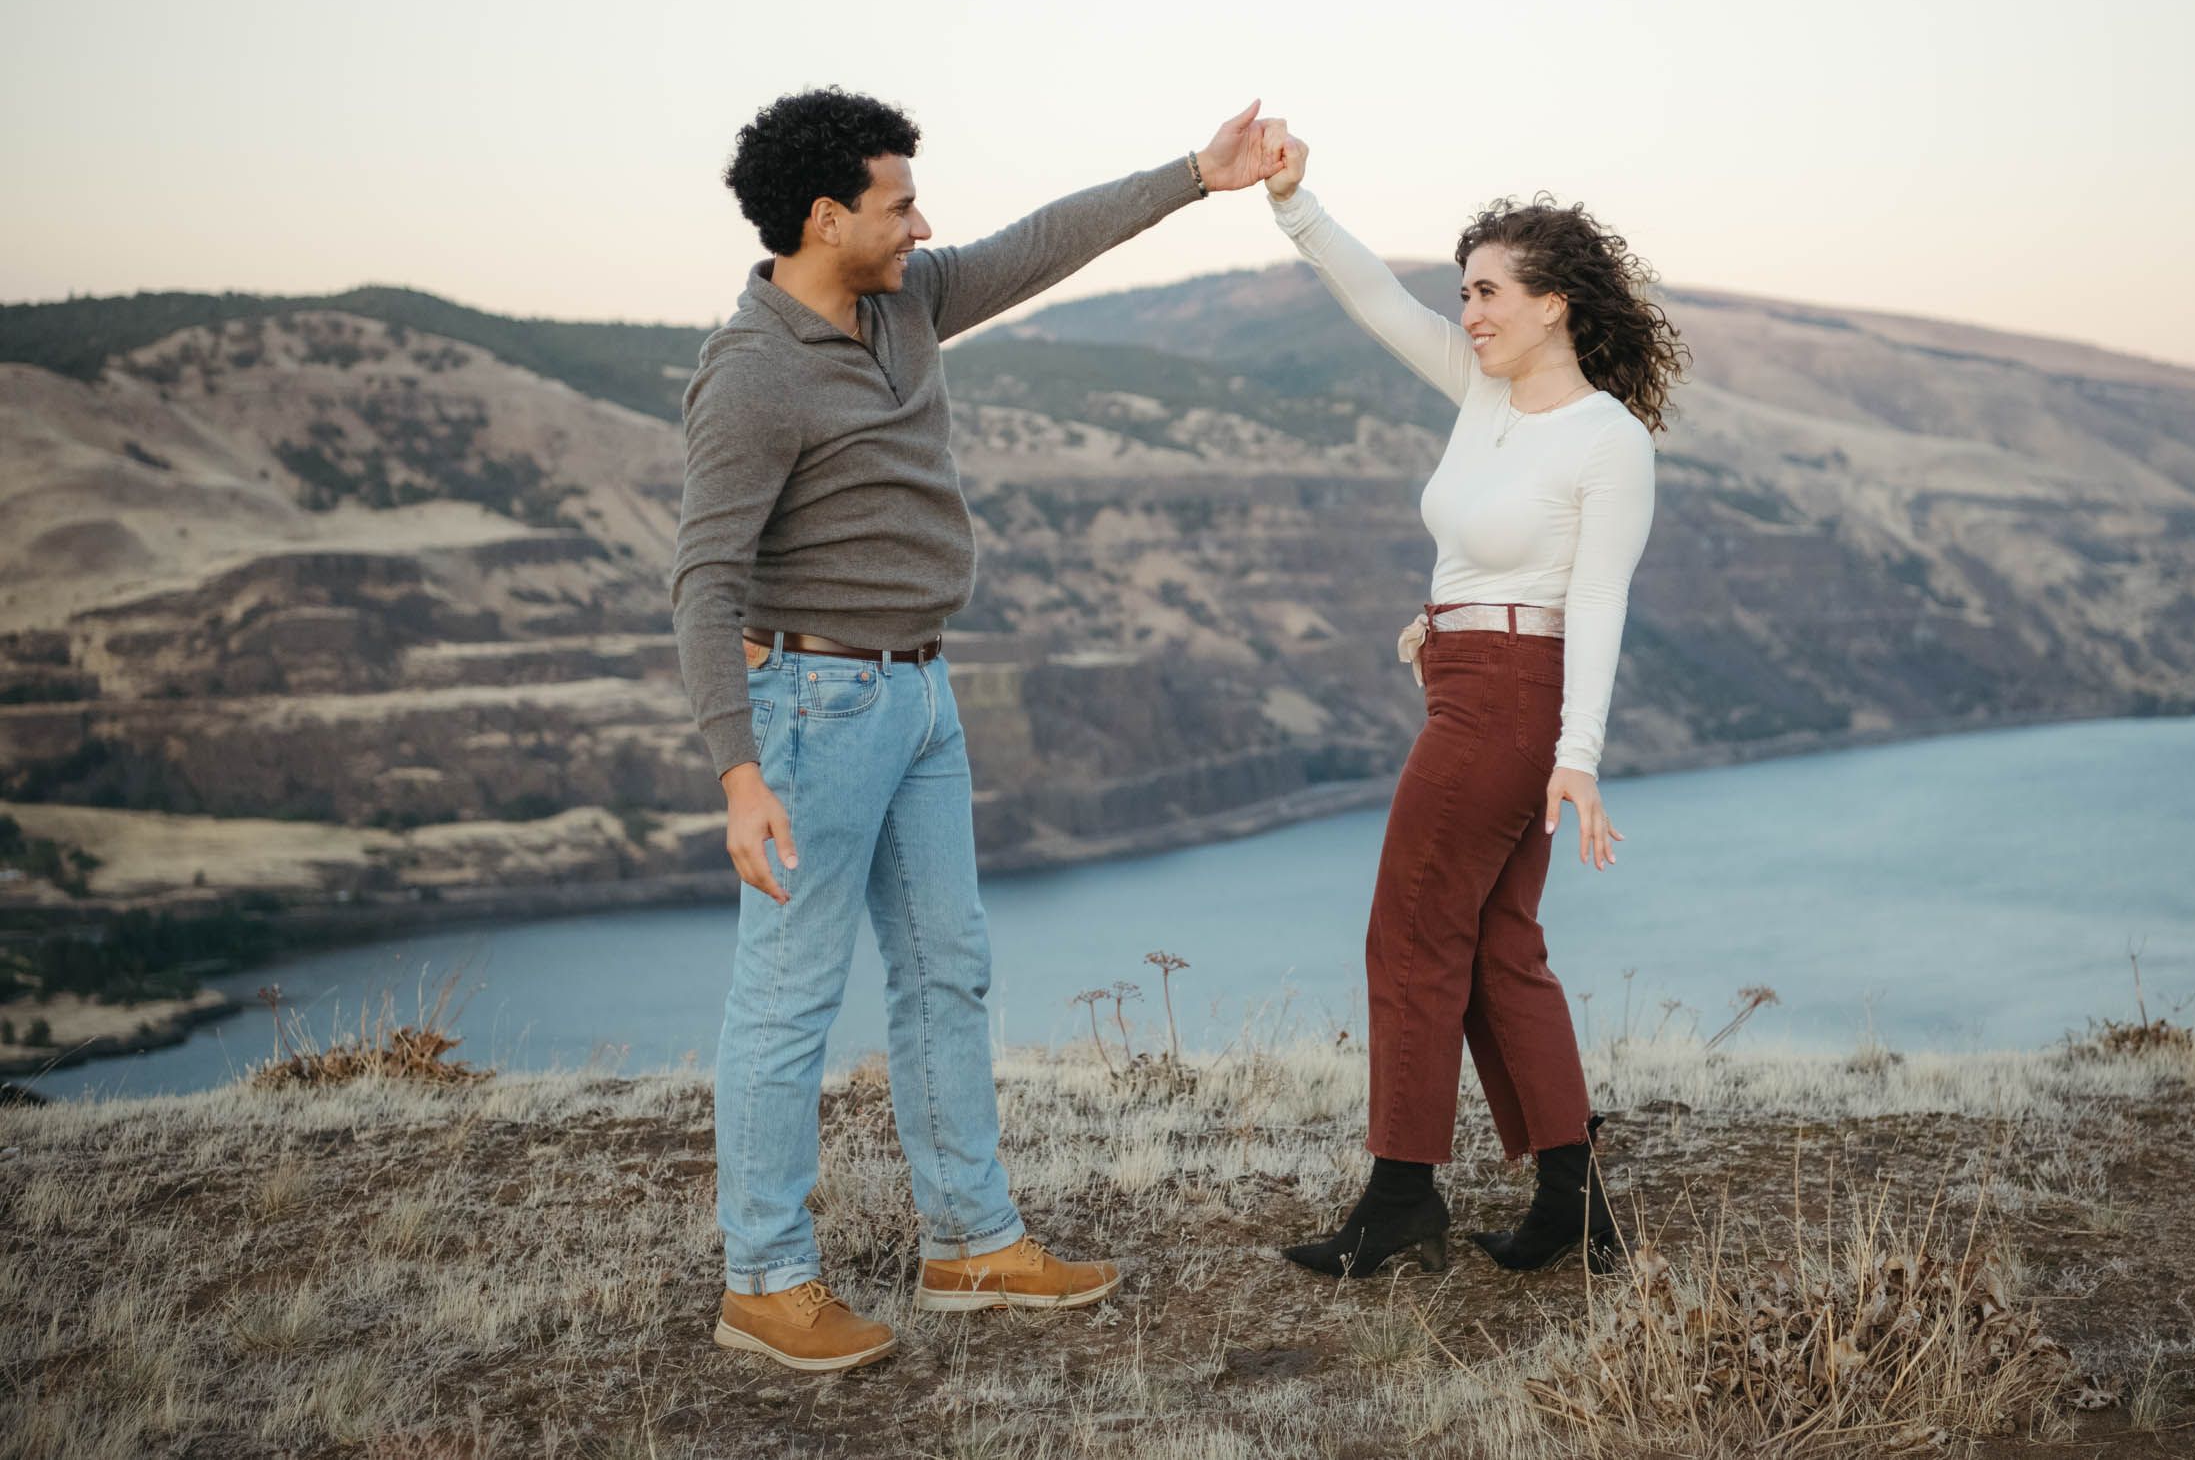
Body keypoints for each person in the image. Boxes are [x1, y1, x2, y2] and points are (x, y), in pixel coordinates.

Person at [671, 89, 1282, 1372]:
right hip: (814, 706)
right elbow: (705, 581)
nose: (923, 223)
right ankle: (766, 1281)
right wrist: (740, 774)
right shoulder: (752, 373)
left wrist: (1194, 175)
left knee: (948, 968)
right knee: (787, 1000)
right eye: (898, 204)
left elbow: (1043, 241)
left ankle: (971, 1240)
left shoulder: (906, 303)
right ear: (827, 217)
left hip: (921, 696)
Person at [1257, 125, 1686, 1279]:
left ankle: (1400, 1199)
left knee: (1408, 934)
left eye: (1489, 292)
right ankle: (1572, 1199)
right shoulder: (1481, 395)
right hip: (1466, 681)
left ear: (1554, 304)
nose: (1469, 312)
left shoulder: (1608, 441)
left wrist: (1577, 756)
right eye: (1465, 293)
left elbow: (1594, 603)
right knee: (1498, 942)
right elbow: (1368, 298)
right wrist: (1295, 204)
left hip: (1508, 701)